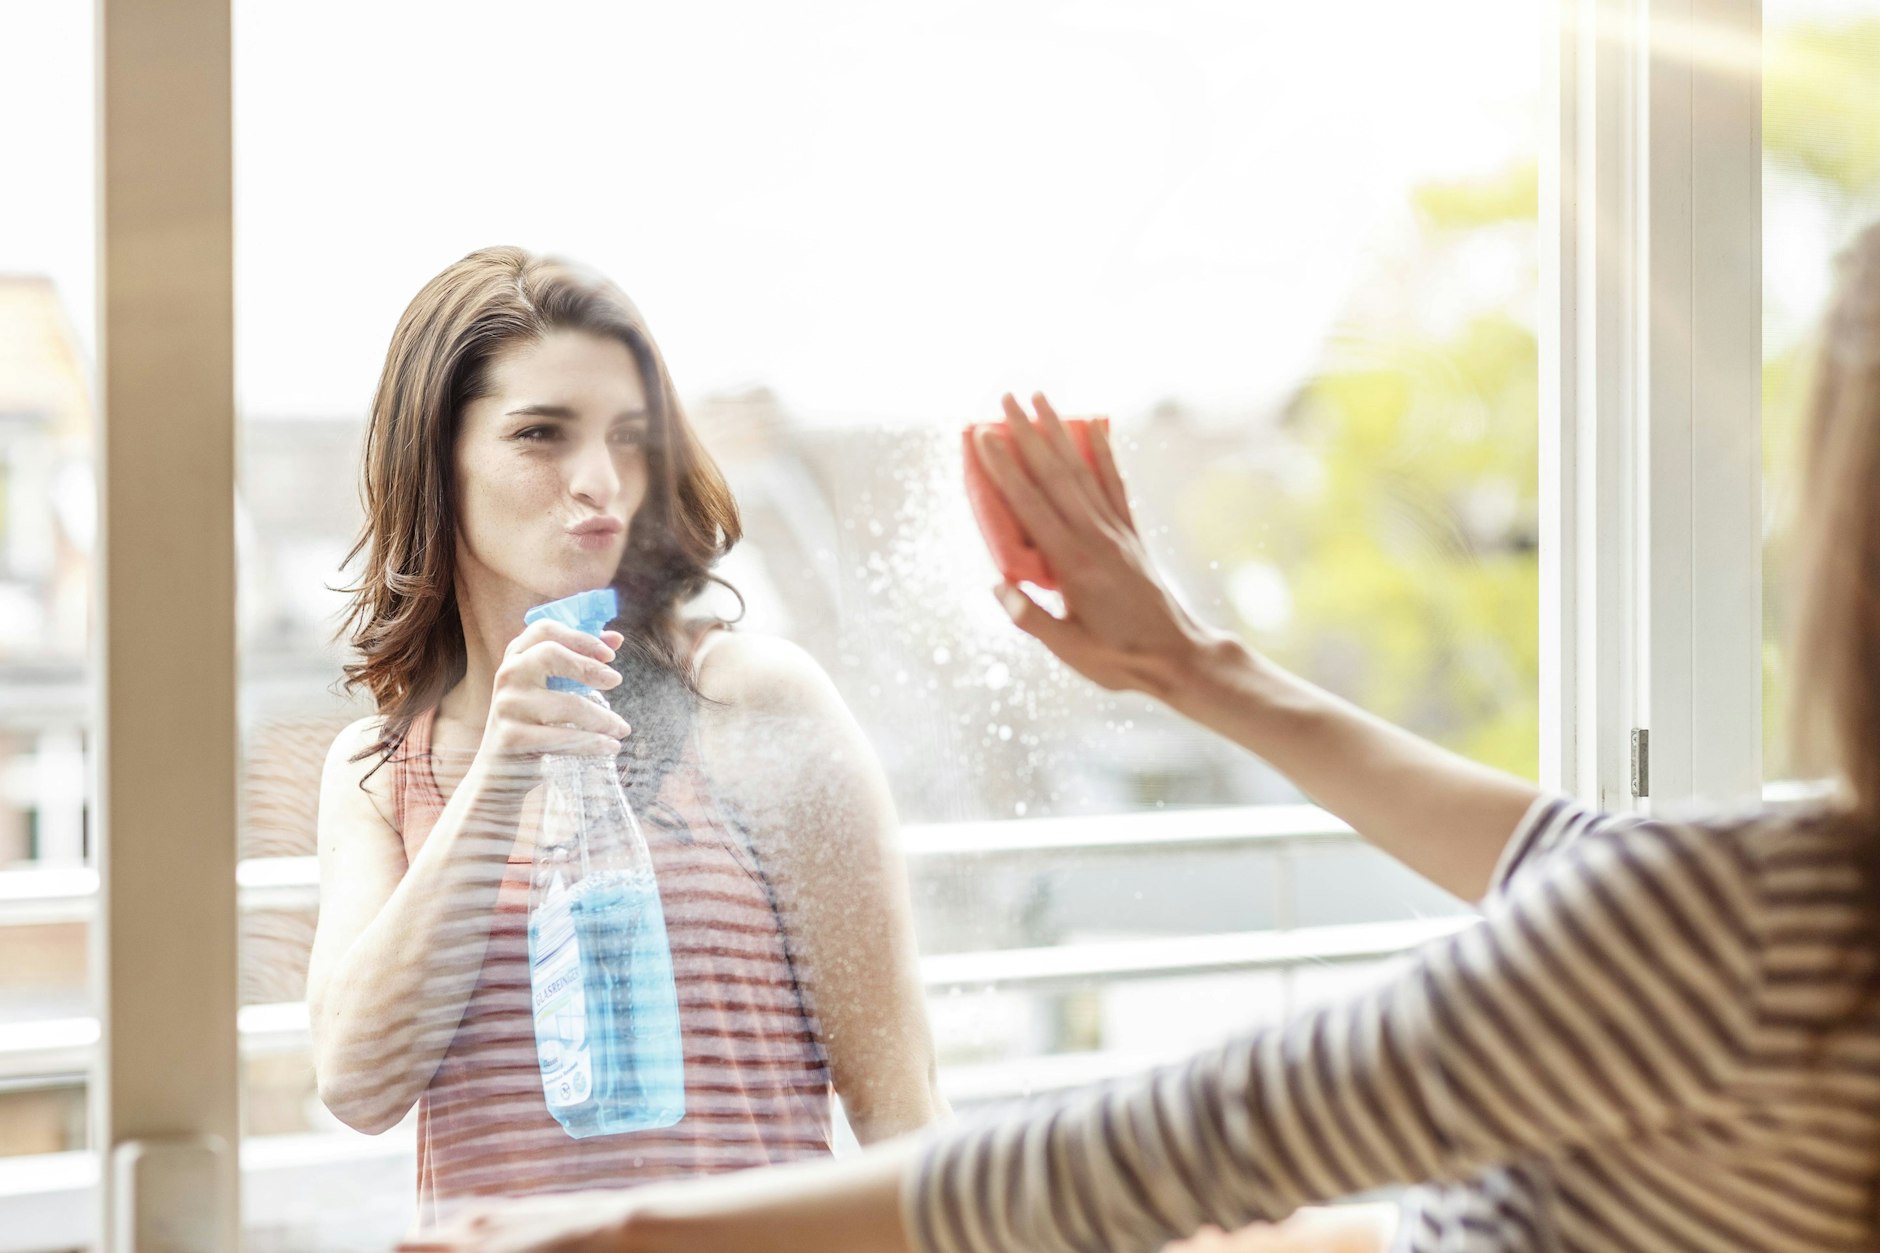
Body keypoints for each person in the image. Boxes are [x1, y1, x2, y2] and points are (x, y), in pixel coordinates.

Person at [403, 223, 1880, 1253]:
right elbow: (1588, 856)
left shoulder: (1759, 924)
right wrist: (1188, 665)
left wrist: (622, 1230)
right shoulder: (1787, 908)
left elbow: (1183, 1145)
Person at [305, 247, 945, 1229]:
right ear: (435, 459)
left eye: (630, 438)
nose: (599, 479)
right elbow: (358, 1083)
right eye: (541, 434)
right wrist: (499, 776)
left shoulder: (752, 703)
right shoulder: (378, 770)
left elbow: (901, 1110)